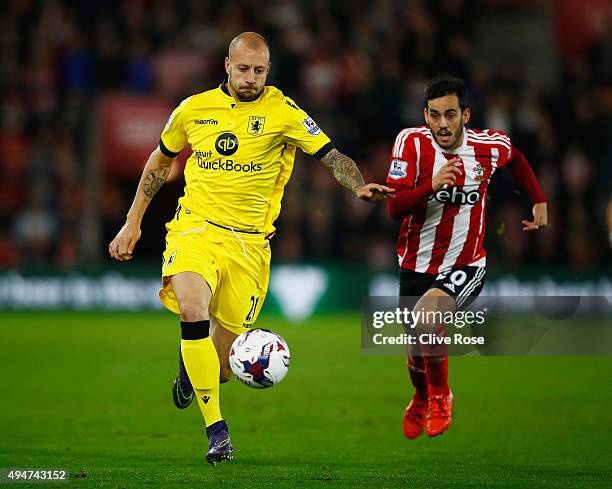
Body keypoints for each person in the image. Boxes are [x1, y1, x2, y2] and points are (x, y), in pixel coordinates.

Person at [108, 32, 393, 464]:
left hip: (250, 247)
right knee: (191, 309)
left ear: (268, 72)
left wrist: (357, 185)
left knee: (222, 368)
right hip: (195, 230)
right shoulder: (193, 109)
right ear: (227, 65)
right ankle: (217, 432)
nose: (250, 78)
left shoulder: (283, 112)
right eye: (243, 69)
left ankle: (192, 368)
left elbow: (331, 155)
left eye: (259, 71)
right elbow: (160, 162)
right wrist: (132, 223)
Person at [385, 76, 548, 439]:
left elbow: (516, 158)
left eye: (451, 115)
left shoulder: (486, 146)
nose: (443, 124)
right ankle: (421, 395)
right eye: (436, 115)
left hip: (466, 262)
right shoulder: (410, 143)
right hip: (415, 263)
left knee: (428, 317)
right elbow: (394, 207)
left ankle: (442, 396)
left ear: (466, 115)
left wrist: (538, 198)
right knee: (416, 349)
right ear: (425, 115)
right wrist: (432, 186)